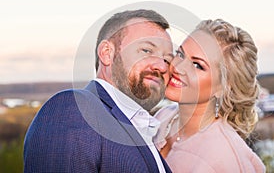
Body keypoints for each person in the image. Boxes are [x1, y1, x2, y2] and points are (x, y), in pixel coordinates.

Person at [23, 9, 174, 172]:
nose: (162, 66)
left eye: (166, 59)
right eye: (146, 50)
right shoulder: (74, 109)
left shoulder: (144, 134)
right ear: (107, 53)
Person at [154, 19, 266, 172]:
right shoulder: (163, 117)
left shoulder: (226, 159)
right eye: (180, 54)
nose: (178, 67)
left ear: (223, 87)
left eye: (197, 65)